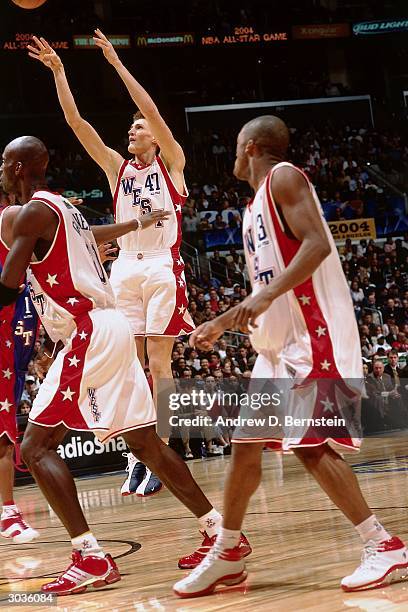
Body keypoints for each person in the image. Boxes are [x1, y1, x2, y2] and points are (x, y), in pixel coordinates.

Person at [0, 136, 250, 595]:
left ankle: (90, 557)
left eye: (2, 162)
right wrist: (133, 223)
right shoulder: (63, 207)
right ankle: (219, 532)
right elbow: (90, 239)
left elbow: (7, 287)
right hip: (108, 325)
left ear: (17, 168)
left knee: (34, 448)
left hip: (88, 329)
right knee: (145, 443)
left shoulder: (30, 214)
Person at [173, 116, 407, 597]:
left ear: (252, 147)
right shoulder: (253, 206)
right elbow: (264, 290)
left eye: (236, 148)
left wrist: (262, 298)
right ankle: (229, 552)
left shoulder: (283, 176)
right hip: (278, 349)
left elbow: (318, 244)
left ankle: (383, 545)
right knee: (244, 444)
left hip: (314, 334)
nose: (232, 157)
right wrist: (221, 322)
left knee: (308, 443)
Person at [28, 33, 195, 496]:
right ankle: (136, 453)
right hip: (123, 268)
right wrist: (61, 73)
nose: (132, 131)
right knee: (129, 365)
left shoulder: (172, 164)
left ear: (156, 139)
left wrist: (116, 62)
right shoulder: (117, 169)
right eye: (131, 128)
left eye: (138, 128)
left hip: (161, 266)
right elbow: (77, 122)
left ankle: (161, 450)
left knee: (159, 365)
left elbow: (154, 114)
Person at [0, 262, 39, 543]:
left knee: (4, 442)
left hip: (11, 364)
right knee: (4, 443)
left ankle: (9, 513)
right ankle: (9, 514)